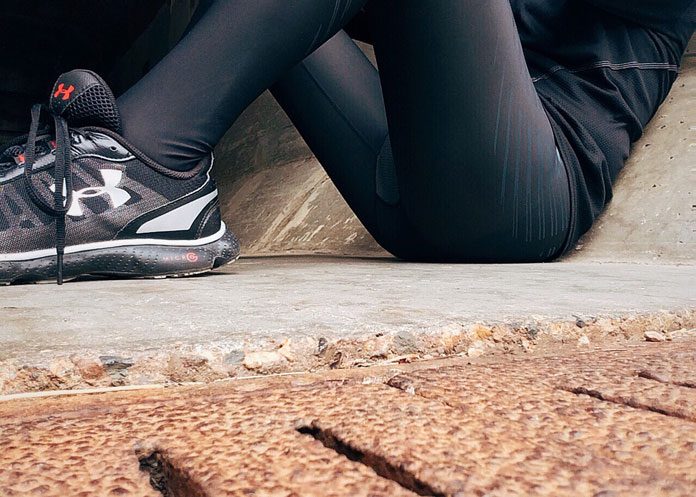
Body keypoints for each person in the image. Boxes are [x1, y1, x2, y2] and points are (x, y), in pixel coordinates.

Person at [0, 1, 693, 285]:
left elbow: (529, 23)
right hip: (399, 173)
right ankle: (95, 159)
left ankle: (142, 170)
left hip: (524, 195)